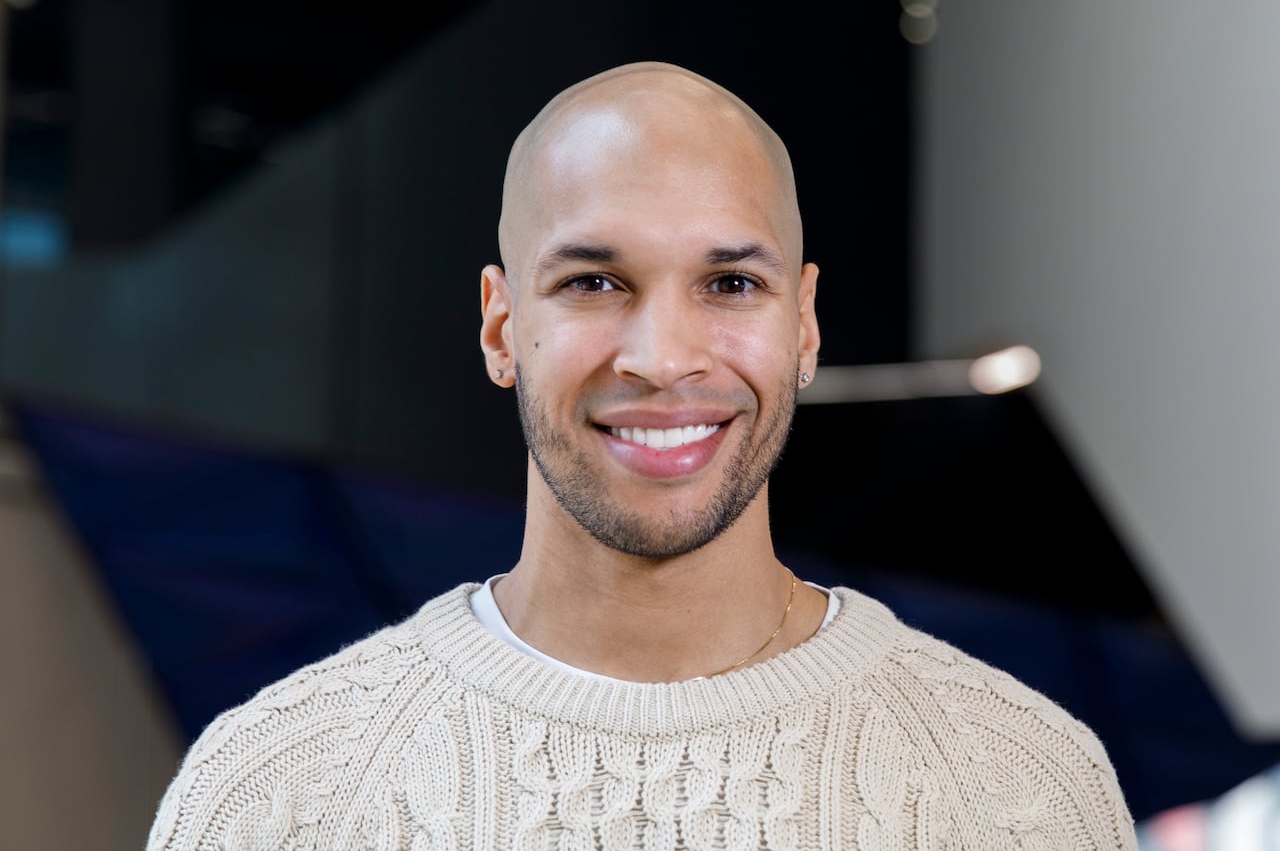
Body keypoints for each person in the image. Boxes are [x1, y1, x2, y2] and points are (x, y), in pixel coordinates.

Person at [147, 61, 1139, 849]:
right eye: (593, 282)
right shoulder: (281, 791)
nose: (663, 359)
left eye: (729, 284)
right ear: (500, 325)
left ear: (802, 323)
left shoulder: (1019, 788)